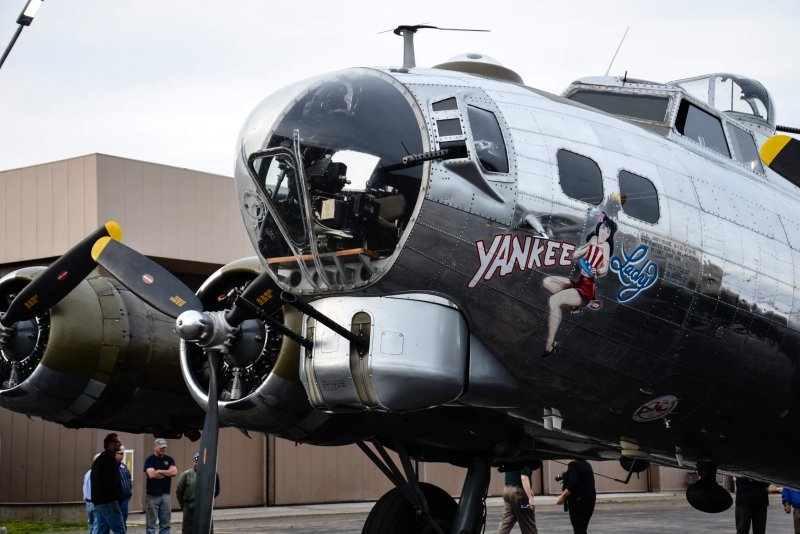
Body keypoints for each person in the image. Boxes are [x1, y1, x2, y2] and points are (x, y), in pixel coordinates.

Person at [542, 213, 616, 357]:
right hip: (579, 281)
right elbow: (575, 256)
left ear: (610, 235)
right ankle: (574, 305)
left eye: (608, 232)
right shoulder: (593, 239)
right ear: (599, 227)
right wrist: (584, 250)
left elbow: (605, 268)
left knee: (553, 301)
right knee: (547, 282)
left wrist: (597, 270)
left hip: (587, 287)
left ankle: (550, 344)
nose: (604, 233)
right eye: (603, 228)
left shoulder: (606, 246)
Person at [176, 452, 221, 534]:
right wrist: (184, 505)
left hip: (205, 508)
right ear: (195, 462)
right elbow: (179, 491)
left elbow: (217, 490)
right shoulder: (186, 475)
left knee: (208, 529)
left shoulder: (213, 474)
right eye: (197, 461)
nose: (199, 463)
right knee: (187, 530)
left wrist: (207, 501)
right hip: (189, 507)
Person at [91, 433, 126, 533]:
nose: (119, 445)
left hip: (99, 502)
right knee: (120, 530)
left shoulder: (99, 459)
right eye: (117, 442)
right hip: (109, 502)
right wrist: (118, 498)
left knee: (102, 530)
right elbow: (112, 482)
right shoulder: (110, 459)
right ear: (109, 443)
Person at [144, 438, 178, 534]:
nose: (163, 449)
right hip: (152, 496)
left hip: (165, 495)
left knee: (165, 524)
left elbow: (174, 472)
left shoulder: (169, 459)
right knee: (151, 525)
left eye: (164, 447)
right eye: (161, 447)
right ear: (155, 447)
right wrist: (167, 472)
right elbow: (151, 475)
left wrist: (160, 471)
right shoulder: (149, 460)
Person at [556, 459, 596, 534]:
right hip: (590, 500)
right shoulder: (586, 464)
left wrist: (562, 497)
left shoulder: (573, 464)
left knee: (579, 530)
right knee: (582, 528)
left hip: (578, 502)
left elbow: (573, 483)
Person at [495, 466, 538, 534]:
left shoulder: (513, 456)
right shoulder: (526, 457)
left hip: (507, 491)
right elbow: (524, 477)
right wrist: (530, 498)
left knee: (506, 522)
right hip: (518, 493)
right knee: (528, 522)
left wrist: (529, 490)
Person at [117, 445, 133, 527]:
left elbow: (129, 479)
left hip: (125, 499)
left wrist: (129, 493)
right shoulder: (111, 466)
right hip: (116, 501)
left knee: (123, 522)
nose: (123, 455)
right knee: (116, 523)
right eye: (121, 453)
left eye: (123, 453)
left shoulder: (124, 466)